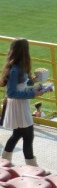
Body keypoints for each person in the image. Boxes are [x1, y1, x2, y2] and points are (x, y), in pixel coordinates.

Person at [0, 38, 45, 166]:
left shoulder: (20, 67)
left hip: (21, 105)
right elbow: (11, 92)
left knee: (18, 134)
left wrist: (34, 81)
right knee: (28, 136)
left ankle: (5, 161)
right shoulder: (15, 69)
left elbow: (22, 84)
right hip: (18, 106)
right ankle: (32, 168)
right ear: (24, 51)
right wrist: (33, 93)